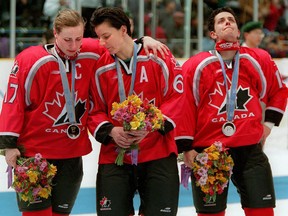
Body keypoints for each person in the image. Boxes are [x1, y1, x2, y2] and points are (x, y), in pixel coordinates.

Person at [0, 8, 171, 216]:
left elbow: (119, 40)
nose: (73, 46)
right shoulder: (30, 60)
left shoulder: (90, 50)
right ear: (55, 33)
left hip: (71, 154)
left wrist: (144, 40)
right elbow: (12, 101)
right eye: (67, 39)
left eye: (78, 39)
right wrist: (9, 145)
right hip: (34, 153)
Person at [177, 7, 288, 216]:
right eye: (221, 21)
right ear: (213, 34)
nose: (227, 22)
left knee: (262, 210)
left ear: (238, 32)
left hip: (249, 150)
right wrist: (186, 147)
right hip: (208, 151)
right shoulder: (195, 66)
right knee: (210, 213)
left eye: (231, 20)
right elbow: (184, 107)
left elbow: (278, 90)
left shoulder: (258, 59)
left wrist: (268, 126)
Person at [88, 7, 183, 216]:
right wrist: (112, 131)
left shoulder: (158, 56)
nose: (102, 43)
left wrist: (153, 125)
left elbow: (178, 96)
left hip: (158, 152)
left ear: (123, 30)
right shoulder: (100, 67)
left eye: (106, 36)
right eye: (98, 37)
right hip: (115, 156)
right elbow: (94, 110)